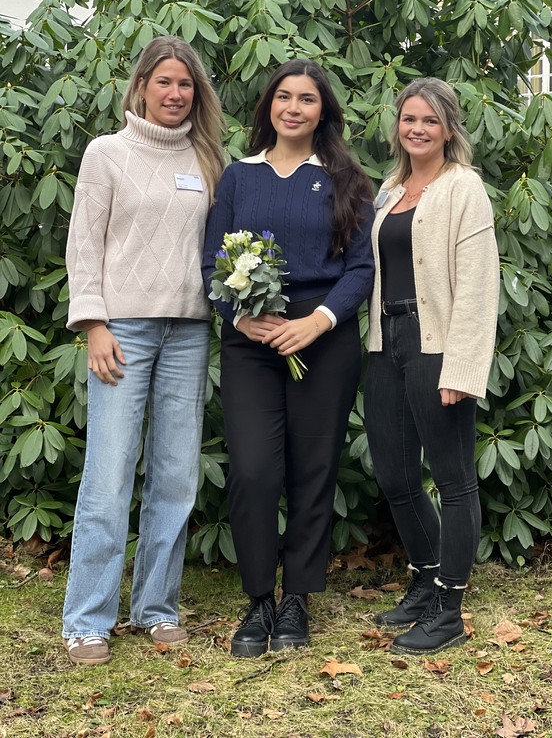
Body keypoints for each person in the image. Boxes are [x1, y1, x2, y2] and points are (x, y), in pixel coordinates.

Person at [202, 59, 374, 657]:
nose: (293, 108)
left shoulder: (347, 179)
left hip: (322, 339)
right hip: (249, 342)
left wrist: (317, 321)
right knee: (253, 469)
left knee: (312, 469)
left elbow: (361, 269)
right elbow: (210, 263)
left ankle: (297, 596)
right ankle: (258, 600)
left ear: (322, 111)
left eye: (306, 99)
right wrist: (239, 316)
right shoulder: (237, 177)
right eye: (283, 97)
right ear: (268, 106)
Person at [62, 36, 225, 666]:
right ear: (141, 87)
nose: (175, 93)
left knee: (176, 475)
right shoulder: (107, 153)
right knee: (109, 473)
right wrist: (93, 323)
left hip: (188, 331)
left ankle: (157, 607)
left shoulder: (207, 158)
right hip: (122, 331)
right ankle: (87, 619)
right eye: (164, 82)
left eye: (185, 84)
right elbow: (84, 243)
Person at [364, 77, 500, 655]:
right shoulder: (389, 190)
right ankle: (424, 580)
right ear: (397, 125)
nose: (417, 128)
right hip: (385, 341)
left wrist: (462, 368)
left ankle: (449, 608)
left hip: (436, 342)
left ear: (448, 129)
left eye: (430, 120)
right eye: (409, 118)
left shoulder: (464, 187)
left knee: (453, 478)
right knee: (394, 474)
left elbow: (478, 284)